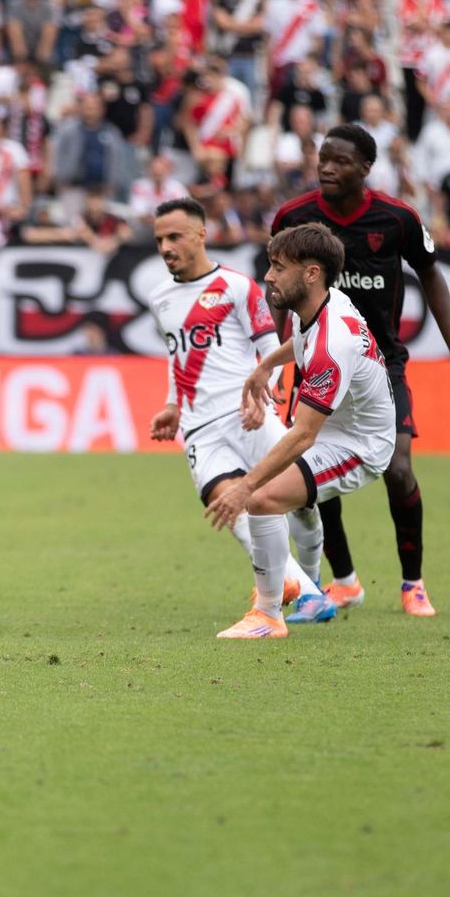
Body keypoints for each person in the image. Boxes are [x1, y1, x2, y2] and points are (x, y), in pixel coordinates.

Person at [270, 124, 450, 617]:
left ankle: (413, 583)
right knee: (309, 474)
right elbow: (277, 283)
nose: (326, 167)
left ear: (365, 168)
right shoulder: (293, 217)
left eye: (340, 161)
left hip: (380, 364)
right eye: (322, 157)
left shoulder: (398, 218)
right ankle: (343, 581)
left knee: (399, 469)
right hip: (317, 359)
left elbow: (430, 274)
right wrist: (281, 351)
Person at [146, 199, 336, 634]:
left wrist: (268, 394)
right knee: (231, 507)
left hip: (249, 413)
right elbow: (179, 357)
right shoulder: (160, 298)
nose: (165, 247)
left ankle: (310, 582)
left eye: (174, 236)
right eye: (159, 239)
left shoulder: (237, 287)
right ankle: (303, 591)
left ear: (200, 234)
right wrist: (174, 404)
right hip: (198, 429)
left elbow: (271, 349)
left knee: (301, 506)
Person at [205, 224, 399, 639]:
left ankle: (268, 615)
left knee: (262, 497)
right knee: (296, 503)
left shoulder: (333, 342)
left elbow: (304, 435)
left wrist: (244, 487)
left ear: (311, 273)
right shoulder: (318, 306)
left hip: (361, 445)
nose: (269, 276)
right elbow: (299, 342)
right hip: (337, 429)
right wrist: (265, 366)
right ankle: (311, 594)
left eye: (278, 267)